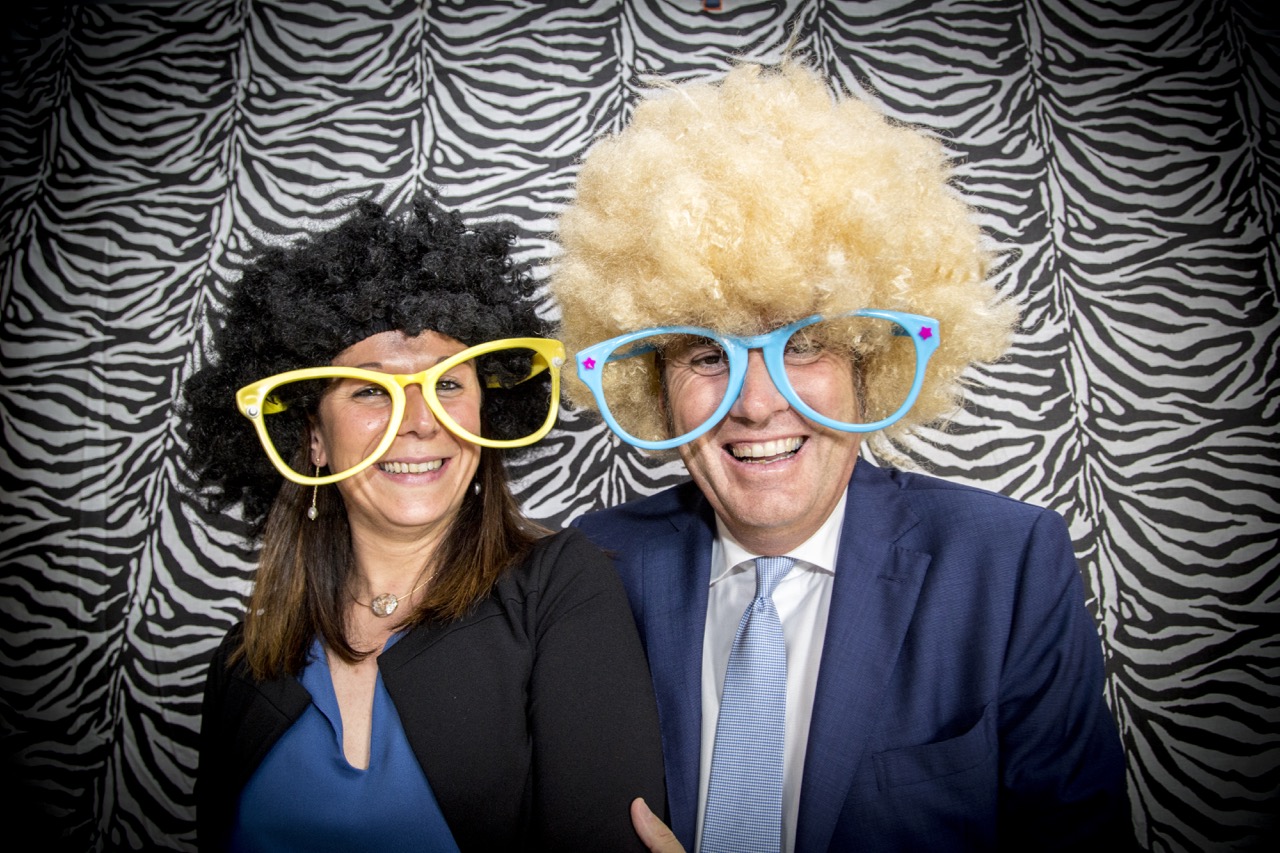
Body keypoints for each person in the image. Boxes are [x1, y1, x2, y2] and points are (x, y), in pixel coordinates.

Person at [550, 61, 1131, 852]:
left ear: (870, 363)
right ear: (654, 385)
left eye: (806, 343)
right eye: (707, 354)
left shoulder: (1008, 566)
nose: (756, 403)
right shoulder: (590, 568)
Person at [182, 195, 666, 852]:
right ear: (314, 437)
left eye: (448, 385)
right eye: (370, 389)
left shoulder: (559, 590)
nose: (419, 421)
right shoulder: (241, 665)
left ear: (485, 413)